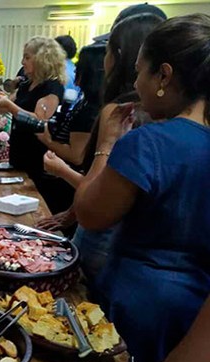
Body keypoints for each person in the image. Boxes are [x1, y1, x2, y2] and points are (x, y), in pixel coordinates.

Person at [74, 16, 210, 362]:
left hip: (137, 311)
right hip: (194, 326)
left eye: (139, 73)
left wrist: (107, 144)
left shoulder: (148, 142)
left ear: (164, 75)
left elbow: (90, 213)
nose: (134, 84)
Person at [41, 13, 164, 283]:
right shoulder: (164, 116)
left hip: (102, 238)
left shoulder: (118, 111)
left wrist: (63, 171)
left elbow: (96, 191)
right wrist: (70, 214)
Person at [0, 36, 71, 214]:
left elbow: (40, 120)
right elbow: (6, 106)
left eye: (27, 57)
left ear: (42, 59)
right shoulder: (27, 84)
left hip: (37, 158)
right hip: (18, 153)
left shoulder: (52, 87)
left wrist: (9, 106)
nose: (22, 62)